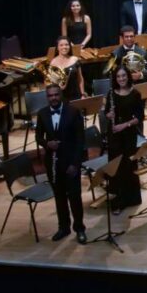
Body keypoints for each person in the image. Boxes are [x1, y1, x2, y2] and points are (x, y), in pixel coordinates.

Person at [35, 84, 87, 244]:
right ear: (47, 97)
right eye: (50, 96)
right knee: (59, 197)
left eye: (56, 94)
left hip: (70, 161)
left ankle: (79, 228)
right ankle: (63, 227)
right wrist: (47, 144)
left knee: (75, 197)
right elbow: (38, 137)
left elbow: (80, 140)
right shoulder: (42, 113)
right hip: (52, 162)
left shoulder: (73, 111)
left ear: (61, 94)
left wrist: (75, 164)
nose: (54, 98)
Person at [104, 66, 144, 213]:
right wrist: (109, 115)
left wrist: (124, 125)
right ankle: (118, 197)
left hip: (128, 134)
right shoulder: (111, 93)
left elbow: (139, 117)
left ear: (128, 76)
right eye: (118, 76)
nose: (121, 79)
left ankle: (130, 198)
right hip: (114, 134)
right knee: (116, 165)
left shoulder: (135, 94)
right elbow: (106, 112)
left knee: (127, 166)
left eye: (124, 76)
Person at [46, 36, 87, 101]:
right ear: (57, 47)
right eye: (61, 45)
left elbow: (80, 79)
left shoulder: (75, 59)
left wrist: (83, 94)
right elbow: (52, 83)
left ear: (69, 46)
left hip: (76, 96)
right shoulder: (53, 63)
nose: (64, 47)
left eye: (66, 45)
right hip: (61, 98)